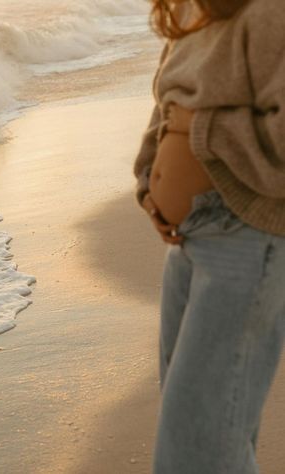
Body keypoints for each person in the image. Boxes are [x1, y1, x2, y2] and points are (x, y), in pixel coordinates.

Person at [133, 0, 285, 472]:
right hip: (189, 238)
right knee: (208, 441)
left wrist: (203, 131)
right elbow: (167, 106)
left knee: (195, 455)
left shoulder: (270, 13)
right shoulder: (188, 10)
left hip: (247, 236)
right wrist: (148, 185)